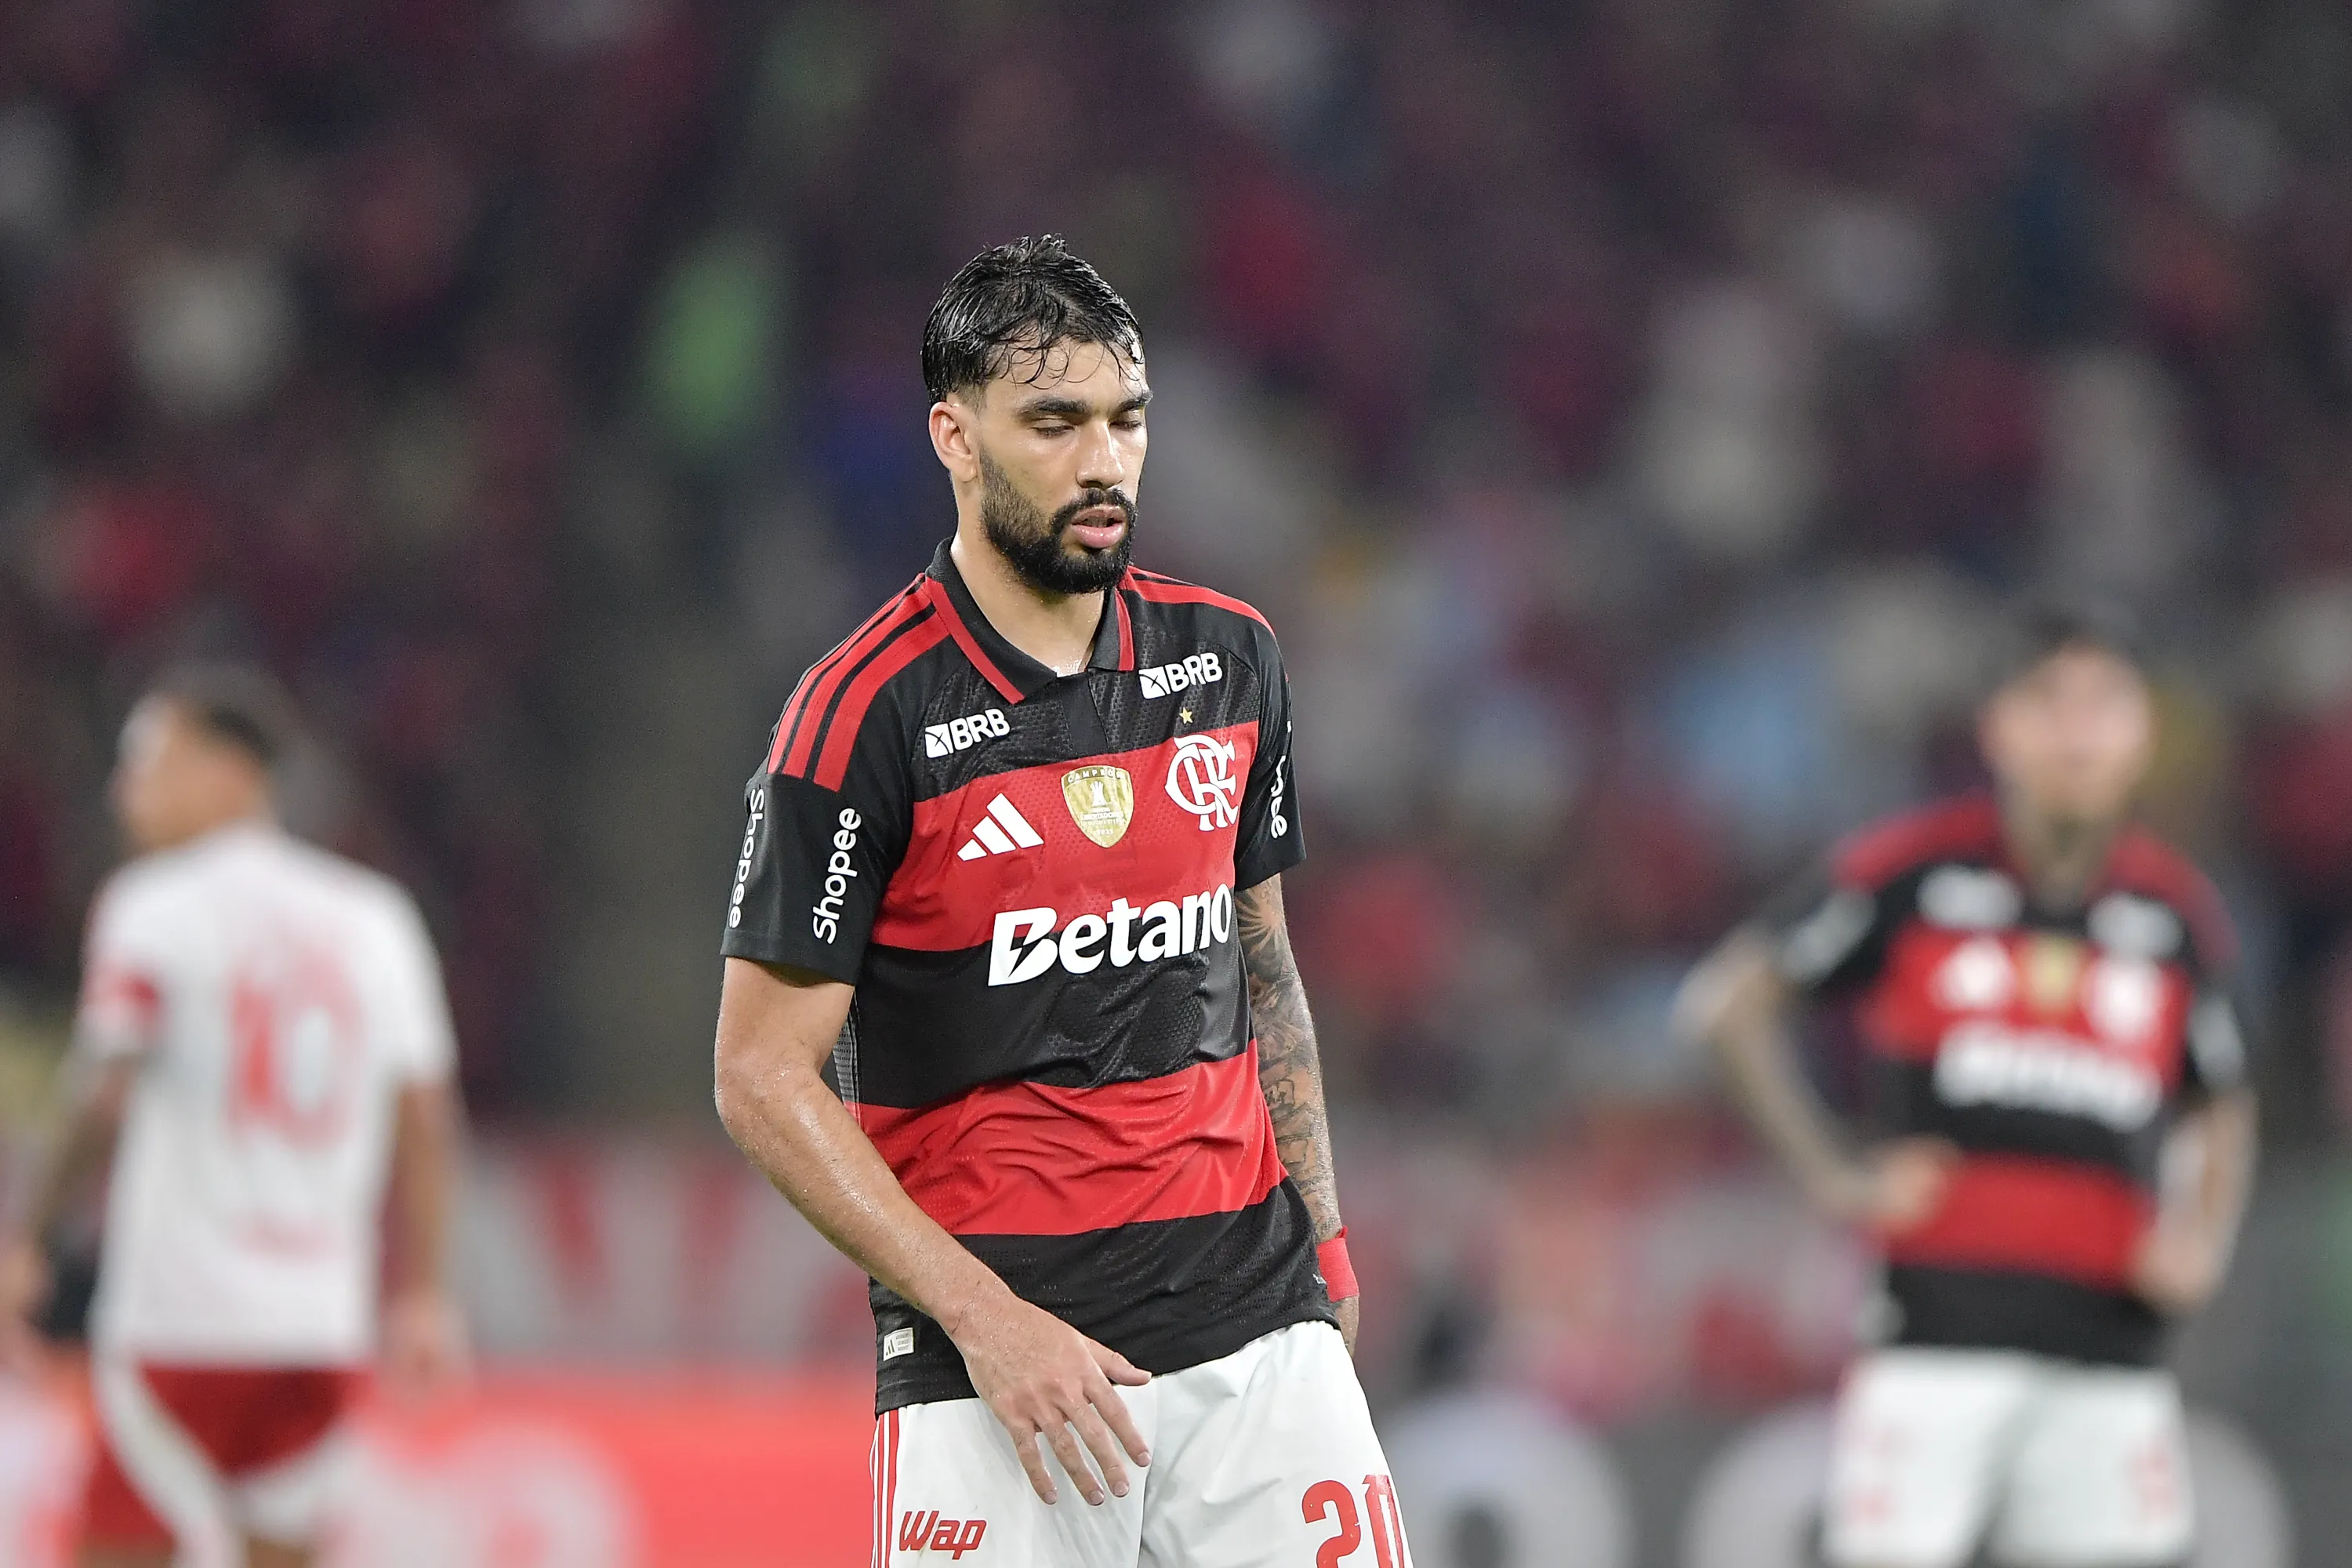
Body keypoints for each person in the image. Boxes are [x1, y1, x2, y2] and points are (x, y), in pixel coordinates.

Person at [713, 236, 1409, 1566]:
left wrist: (1325, 1242)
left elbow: (1262, 967)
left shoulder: (1229, 660)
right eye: (1055, 423)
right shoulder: (862, 717)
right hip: (1007, 1374)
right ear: (955, 436)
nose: (1104, 462)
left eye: (1126, 420)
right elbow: (760, 1076)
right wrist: (987, 1321)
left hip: (1258, 1331)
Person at [1676, 601, 2258, 1568]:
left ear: (2143, 731)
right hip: (1936, 1331)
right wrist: (1835, 1174)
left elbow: (2224, 1095)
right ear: (2000, 726)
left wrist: (2202, 1238)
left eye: (2104, 704)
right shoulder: (1909, 875)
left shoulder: (2175, 914)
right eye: (2049, 701)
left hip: (2109, 1345)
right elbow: (1728, 1004)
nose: (2077, 731)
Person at [0, 664, 469, 1568]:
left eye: (148, 760)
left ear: (230, 773)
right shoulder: (375, 916)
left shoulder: (153, 906)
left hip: (179, 1321)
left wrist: (26, 1240)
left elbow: (102, 1092)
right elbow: (426, 1114)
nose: (123, 787)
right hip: (317, 1323)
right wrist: (426, 1291)